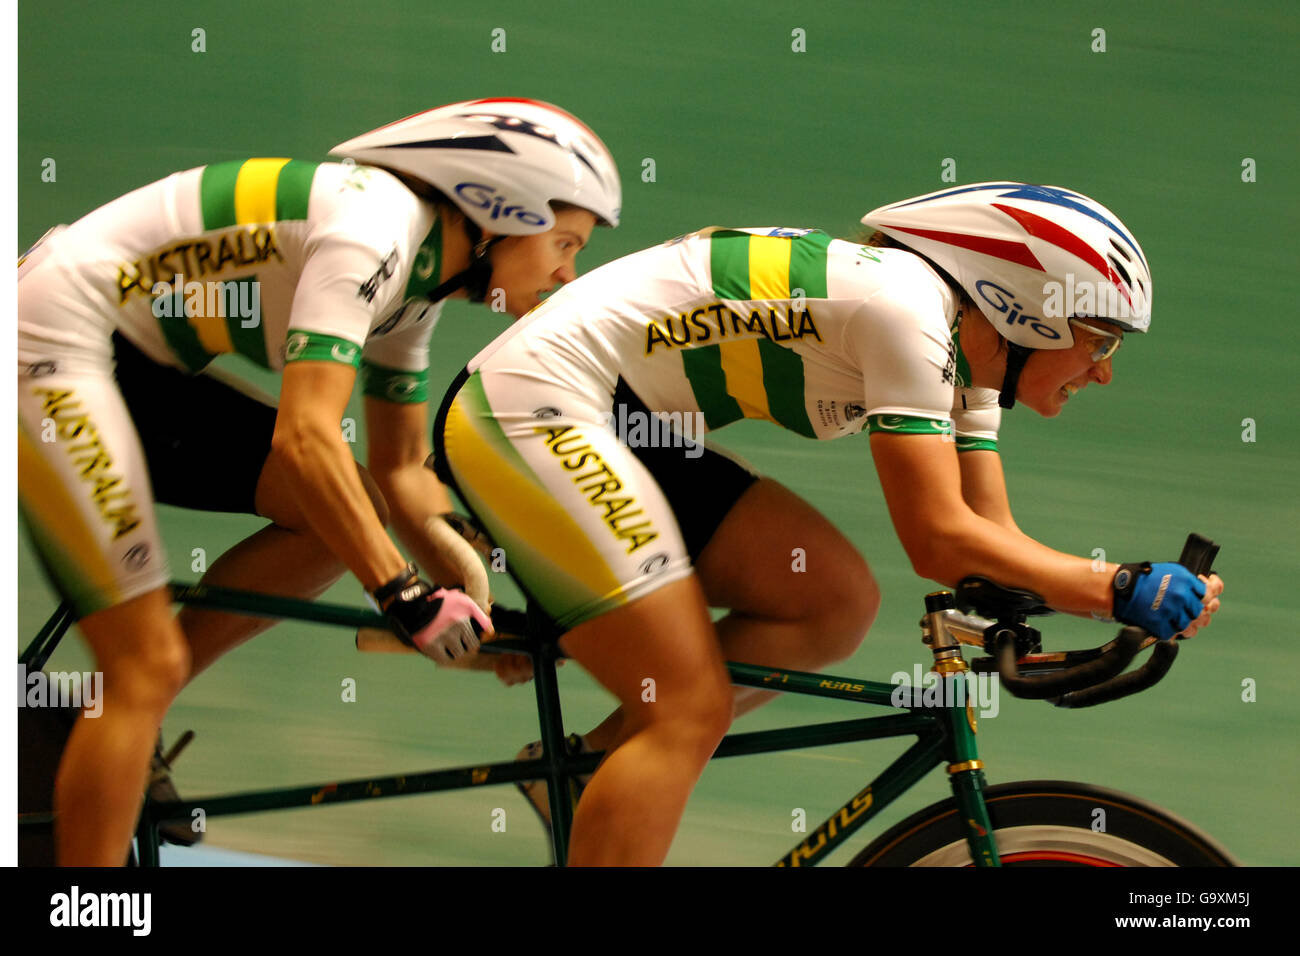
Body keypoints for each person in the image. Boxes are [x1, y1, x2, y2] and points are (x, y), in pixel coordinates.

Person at [431, 182, 1225, 866]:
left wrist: (1115, 597)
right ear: (1027, 309)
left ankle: (583, 772)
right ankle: (620, 763)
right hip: (529, 412)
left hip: (620, 424)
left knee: (834, 600)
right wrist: (1116, 586)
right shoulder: (904, 309)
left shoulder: (965, 361)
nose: (1107, 369)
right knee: (688, 709)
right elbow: (937, 539)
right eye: (1101, 338)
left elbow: (989, 541)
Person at [17, 98, 621, 865]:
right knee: (146, 663)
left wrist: (478, 606)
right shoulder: (373, 231)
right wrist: (403, 595)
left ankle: (117, 720)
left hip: (132, 366)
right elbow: (306, 439)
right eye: (564, 241)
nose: (570, 271)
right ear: (497, 208)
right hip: (50, 344)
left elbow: (400, 480)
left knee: (340, 515)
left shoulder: (414, 292)